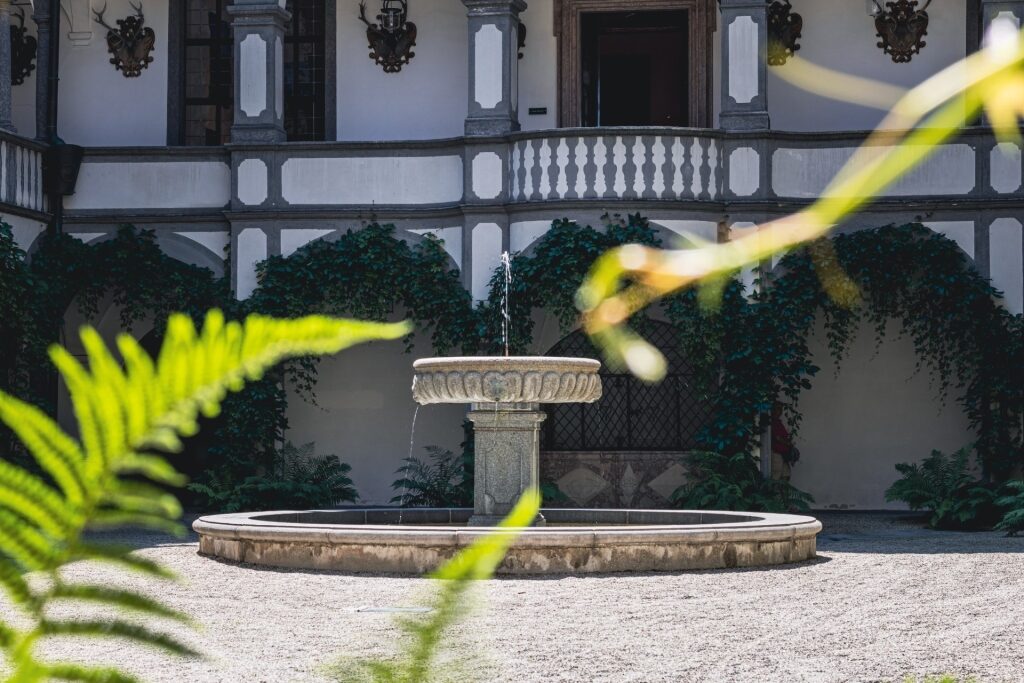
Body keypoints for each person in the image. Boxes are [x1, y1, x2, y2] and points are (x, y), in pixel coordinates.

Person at [771, 404, 800, 482]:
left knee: (786, 474)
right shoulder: (773, 422)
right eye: (777, 409)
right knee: (776, 475)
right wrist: (788, 443)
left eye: (781, 409)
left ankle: (782, 492)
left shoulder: (778, 422)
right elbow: (778, 438)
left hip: (783, 453)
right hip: (776, 452)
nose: (779, 411)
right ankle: (775, 493)